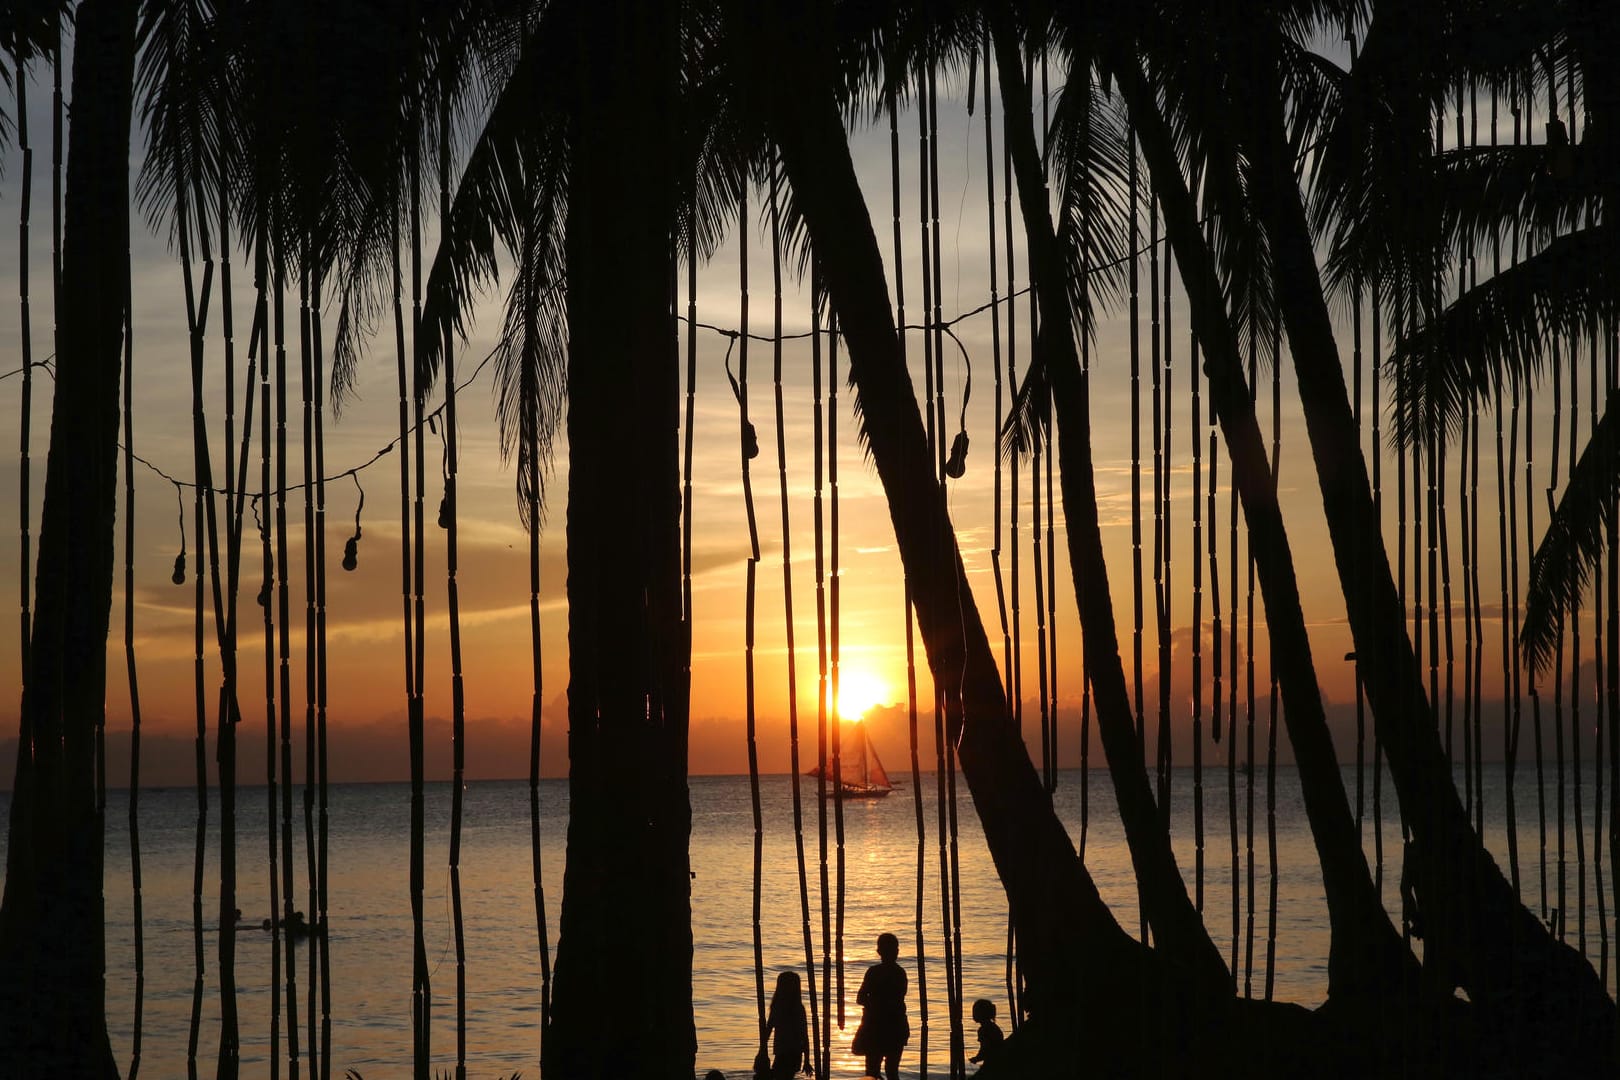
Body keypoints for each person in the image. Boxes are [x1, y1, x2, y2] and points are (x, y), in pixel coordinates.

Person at [852, 933, 908, 1080]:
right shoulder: (899, 973)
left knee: (872, 1072)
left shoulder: (874, 972)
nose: (896, 952)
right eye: (894, 949)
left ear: (879, 952)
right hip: (893, 1028)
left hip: (876, 1028)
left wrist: (875, 1005)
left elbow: (860, 998)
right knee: (891, 1072)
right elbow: (899, 998)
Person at [759, 970, 810, 1078]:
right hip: (791, 1053)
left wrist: (762, 1050)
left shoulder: (781, 1007)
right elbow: (804, 1036)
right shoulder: (796, 1008)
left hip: (787, 1052)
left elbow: (768, 1031)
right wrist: (806, 1060)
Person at [968, 998, 1003, 1069]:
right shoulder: (993, 1027)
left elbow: (985, 1048)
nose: (973, 1014)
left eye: (975, 1011)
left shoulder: (984, 1029)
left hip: (993, 1061)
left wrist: (977, 1058)